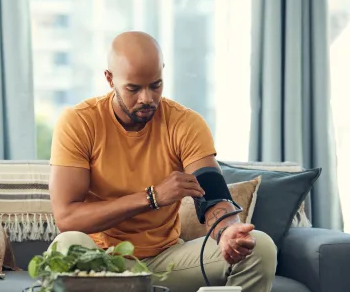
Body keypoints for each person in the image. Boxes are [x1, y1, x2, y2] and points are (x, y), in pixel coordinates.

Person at [48, 31, 277, 292]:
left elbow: (212, 194)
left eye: (155, 85)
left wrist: (227, 232)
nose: (147, 98)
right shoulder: (79, 122)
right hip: (102, 262)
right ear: (110, 79)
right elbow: (67, 217)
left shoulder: (185, 123)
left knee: (260, 247)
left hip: (167, 261)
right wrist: (152, 196)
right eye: (133, 88)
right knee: (66, 246)